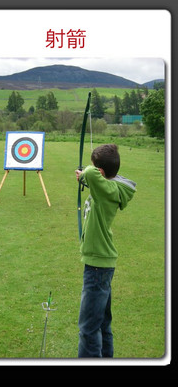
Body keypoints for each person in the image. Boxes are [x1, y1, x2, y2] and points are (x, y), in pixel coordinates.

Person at [75, 144, 136, 358]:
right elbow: (92, 176)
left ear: (101, 172)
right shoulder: (108, 187)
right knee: (101, 323)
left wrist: (87, 173)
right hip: (101, 264)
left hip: (97, 266)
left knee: (88, 328)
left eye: (94, 167)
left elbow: (91, 173)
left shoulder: (106, 188)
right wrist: (85, 177)